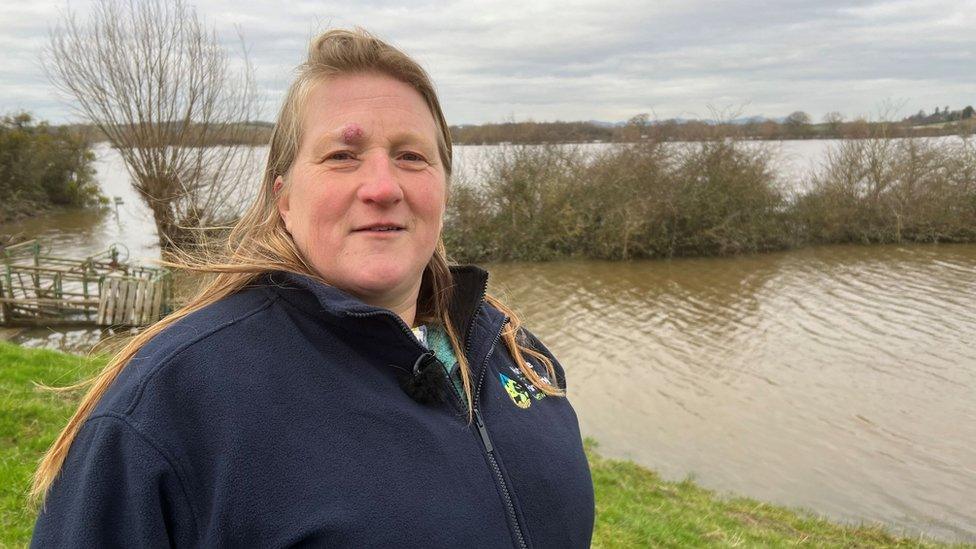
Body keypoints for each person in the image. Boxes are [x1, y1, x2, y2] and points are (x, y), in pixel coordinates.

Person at [30, 28, 594, 548]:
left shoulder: (513, 349)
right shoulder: (169, 404)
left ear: (443, 190)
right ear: (284, 200)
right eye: (342, 156)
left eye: (411, 156)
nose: (382, 186)